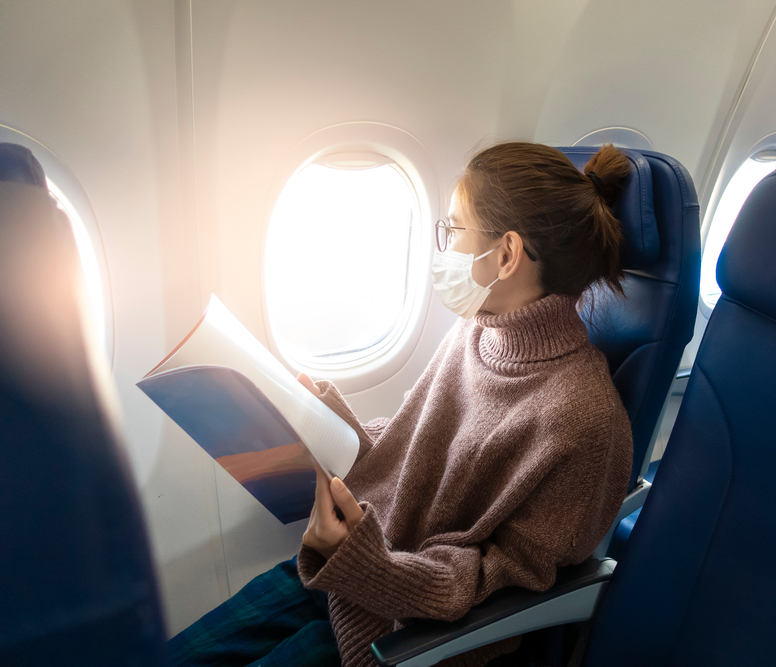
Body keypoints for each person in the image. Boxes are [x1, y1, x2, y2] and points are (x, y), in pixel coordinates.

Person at [168, 142, 635, 667]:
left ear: (506, 254)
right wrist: (320, 421)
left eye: (454, 230)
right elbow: (416, 448)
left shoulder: (585, 419)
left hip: (405, 632)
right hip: (348, 570)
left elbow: (502, 584)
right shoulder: (475, 333)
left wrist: (371, 566)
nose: (444, 248)